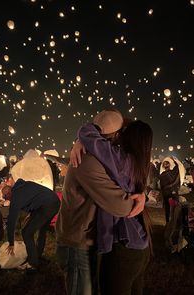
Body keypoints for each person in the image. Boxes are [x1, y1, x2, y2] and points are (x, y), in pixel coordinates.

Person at [56, 110, 146, 295]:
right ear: (115, 135)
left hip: (83, 239)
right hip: (76, 243)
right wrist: (137, 201)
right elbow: (120, 206)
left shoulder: (97, 155)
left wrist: (141, 193)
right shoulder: (88, 161)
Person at [4, 178, 60, 272]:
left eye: (5, 197)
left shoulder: (15, 197)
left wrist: (11, 243)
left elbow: (11, 221)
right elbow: (34, 198)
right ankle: (37, 255)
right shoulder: (22, 186)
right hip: (54, 202)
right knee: (42, 229)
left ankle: (32, 263)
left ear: (9, 194)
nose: (6, 200)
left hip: (47, 206)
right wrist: (31, 214)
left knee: (26, 232)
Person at [159, 158, 180, 223]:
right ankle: (175, 220)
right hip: (173, 191)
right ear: (170, 165)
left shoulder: (162, 175)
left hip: (166, 193)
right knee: (174, 205)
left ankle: (167, 221)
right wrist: (174, 160)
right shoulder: (173, 172)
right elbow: (177, 166)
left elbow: (161, 185)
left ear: (163, 167)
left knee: (167, 207)